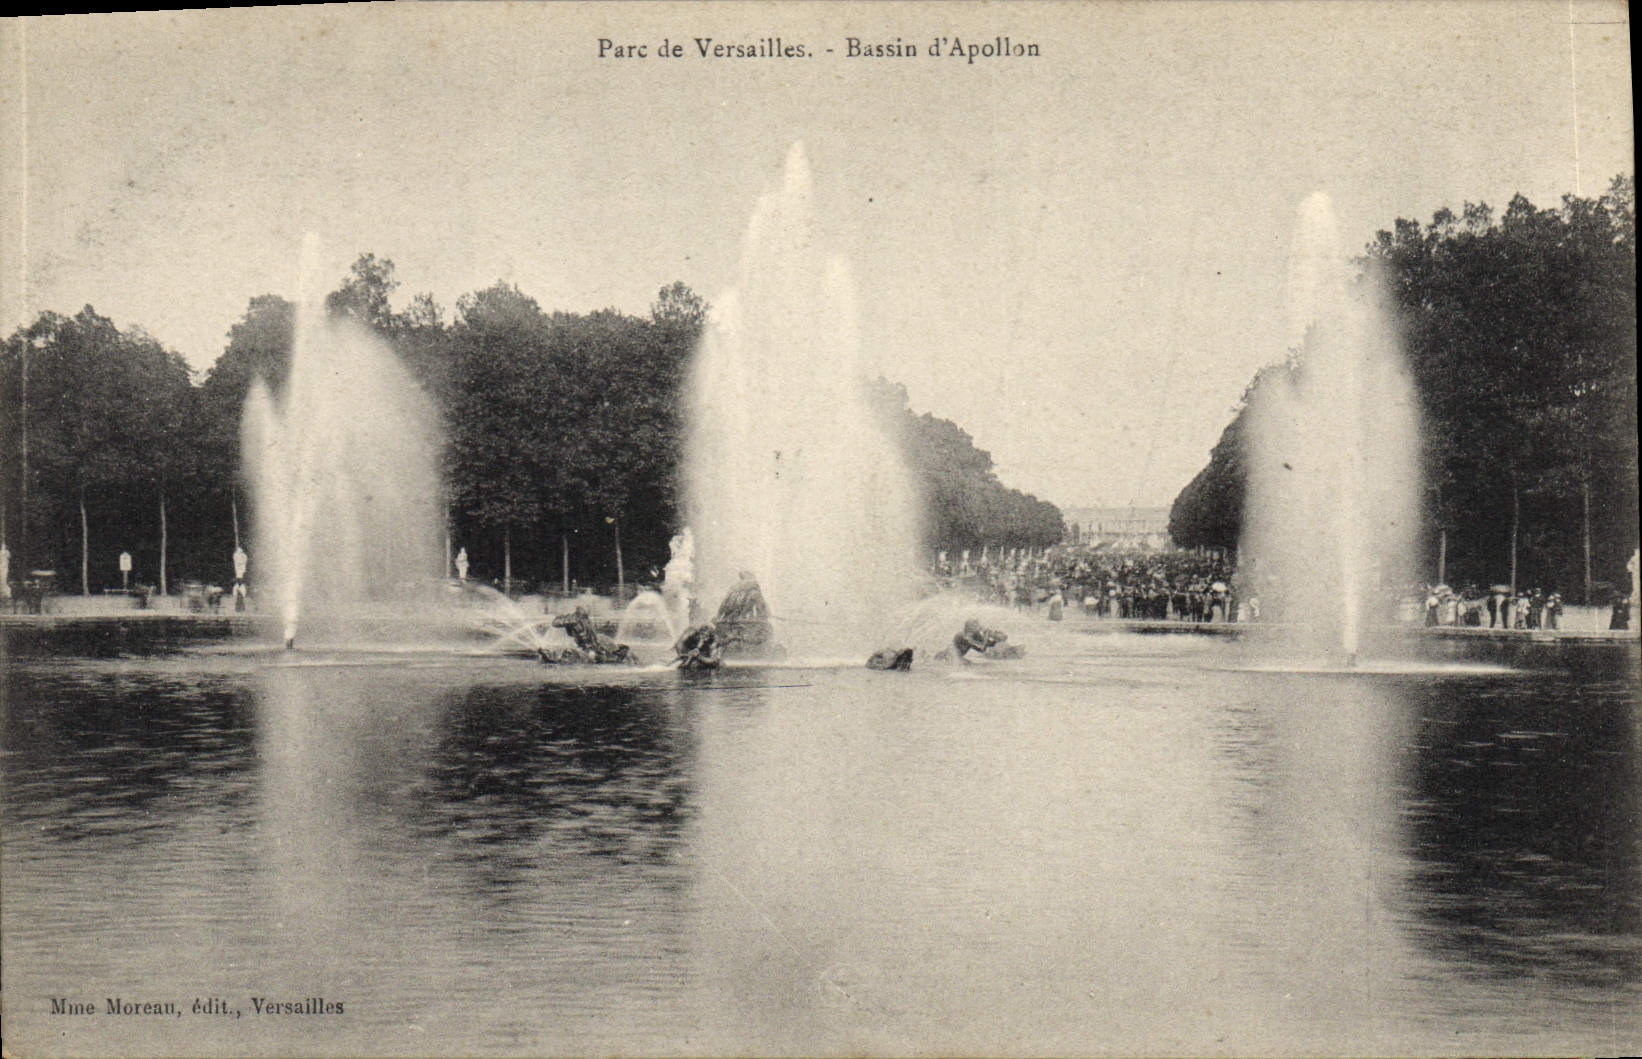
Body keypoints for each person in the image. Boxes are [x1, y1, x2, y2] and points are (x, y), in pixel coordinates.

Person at [549, 605, 632, 664]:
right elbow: (555, 623)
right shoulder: (577, 621)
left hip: (589, 646)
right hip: (588, 646)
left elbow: (556, 623)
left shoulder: (582, 623)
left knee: (590, 651)